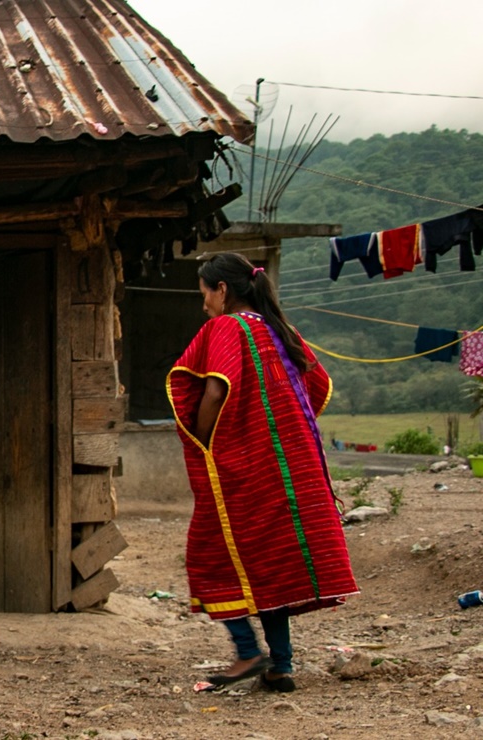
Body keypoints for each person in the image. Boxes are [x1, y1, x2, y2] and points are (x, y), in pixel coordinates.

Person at [167, 253, 358, 693]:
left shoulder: (226, 328)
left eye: (204, 295)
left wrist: (203, 443)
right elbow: (315, 384)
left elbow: (215, 389)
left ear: (222, 290)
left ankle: (248, 652)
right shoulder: (277, 328)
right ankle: (281, 665)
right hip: (286, 468)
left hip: (244, 467)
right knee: (267, 561)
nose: (204, 307)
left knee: (209, 553)